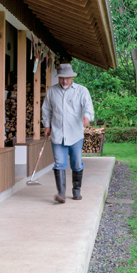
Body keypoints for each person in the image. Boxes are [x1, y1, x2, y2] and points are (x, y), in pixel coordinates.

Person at [42, 63, 94, 203]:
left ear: (72, 77)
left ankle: (76, 190)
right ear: (59, 78)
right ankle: (61, 193)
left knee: (76, 163)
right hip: (58, 134)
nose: (64, 81)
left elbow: (88, 108)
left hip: (75, 134)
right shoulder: (52, 91)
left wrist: (87, 117)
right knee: (59, 163)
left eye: (67, 78)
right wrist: (46, 125)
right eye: (62, 78)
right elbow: (46, 110)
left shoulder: (82, 91)